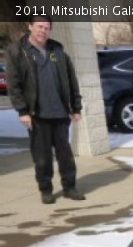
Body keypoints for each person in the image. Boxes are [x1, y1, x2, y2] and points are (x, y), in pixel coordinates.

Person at [6, 15, 85, 204]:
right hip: (37, 115)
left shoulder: (57, 51)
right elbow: (13, 84)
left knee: (65, 156)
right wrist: (22, 110)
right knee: (42, 158)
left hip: (60, 113)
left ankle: (69, 187)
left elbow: (71, 81)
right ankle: (46, 189)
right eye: (39, 26)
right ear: (30, 26)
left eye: (47, 27)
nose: (43, 30)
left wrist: (76, 107)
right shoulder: (18, 51)